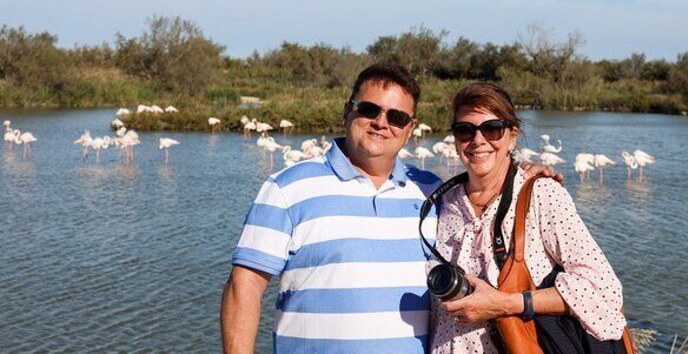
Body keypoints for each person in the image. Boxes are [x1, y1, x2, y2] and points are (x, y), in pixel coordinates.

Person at [221, 64, 441, 353]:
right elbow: (244, 286)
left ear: (410, 128)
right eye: (369, 109)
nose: (381, 123)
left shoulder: (433, 192)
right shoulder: (287, 188)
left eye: (397, 117)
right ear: (347, 111)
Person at [428, 82, 626, 353]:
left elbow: (604, 289)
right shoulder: (444, 202)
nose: (478, 140)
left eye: (492, 128)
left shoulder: (541, 194)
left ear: (511, 136)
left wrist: (507, 304)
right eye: (465, 130)